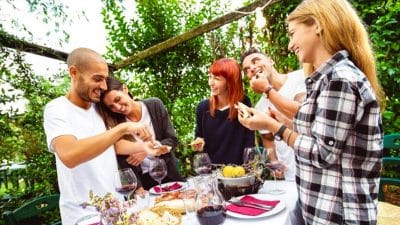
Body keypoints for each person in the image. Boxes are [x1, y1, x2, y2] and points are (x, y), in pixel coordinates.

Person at [238, 0, 384, 224]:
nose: (290, 45)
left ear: (316, 25)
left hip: (339, 213)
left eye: (292, 33)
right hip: (321, 206)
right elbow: (324, 134)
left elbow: (322, 153)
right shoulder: (325, 79)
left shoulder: (340, 80)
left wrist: (273, 126)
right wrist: (276, 123)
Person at [43, 48, 154, 225]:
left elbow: (114, 146)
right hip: (84, 217)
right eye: (97, 79)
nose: (103, 86)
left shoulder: (98, 108)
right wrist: (122, 128)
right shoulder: (56, 109)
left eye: (104, 79)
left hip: (117, 210)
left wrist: (146, 148)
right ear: (74, 73)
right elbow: (69, 155)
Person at [96, 76, 184, 190]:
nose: (118, 107)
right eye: (111, 106)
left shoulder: (154, 105)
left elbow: (172, 140)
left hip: (170, 174)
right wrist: (138, 187)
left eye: (117, 99)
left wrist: (145, 151)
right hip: (144, 182)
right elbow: (122, 159)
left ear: (125, 89)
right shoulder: (118, 125)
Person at [241, 50, 306, 181]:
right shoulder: (260, 106)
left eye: (255, 61)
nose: (252, 68)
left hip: (314, 165)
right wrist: (274, 160)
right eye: (247, 69)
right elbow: (268, 139)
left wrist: (267, 89)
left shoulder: (301, 77)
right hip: (291, 176)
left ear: (271, 60)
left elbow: (303, 116)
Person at [192, 58, 255, 165]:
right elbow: (199, 137)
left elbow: (249, 142)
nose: (211, 83)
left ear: (230, 81)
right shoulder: (202, 108)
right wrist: (198, 143)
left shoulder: (244, 103)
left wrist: (248, 167)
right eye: (210, 77)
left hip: (239, 172)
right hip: (212, 172)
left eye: (216, 78)